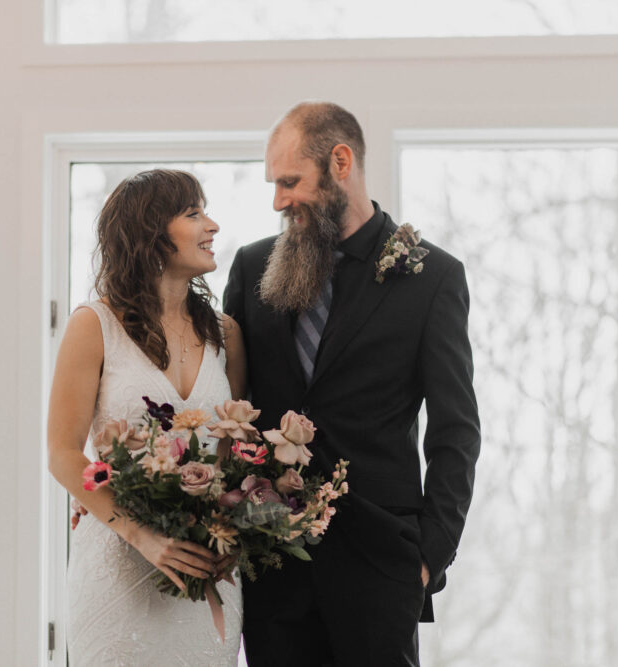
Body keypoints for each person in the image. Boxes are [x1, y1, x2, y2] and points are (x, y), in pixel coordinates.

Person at [224, 101, 480, 666]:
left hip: (381, 569)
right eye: (274, 185)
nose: (278, 200)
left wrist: (427, 556)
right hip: (274, 570)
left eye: (290, 182)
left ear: (340, 162)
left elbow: (455, 431)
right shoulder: (249, 268)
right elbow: (230, 410)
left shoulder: (433, 278)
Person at [47, 169, 246, 665]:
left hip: (205, 571)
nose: (213, 225)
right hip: (118, 566)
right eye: (194, 213)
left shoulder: (227, 335)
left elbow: (235, 454)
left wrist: (231, 533)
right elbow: (62, 454)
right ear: (150, 231)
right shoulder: (93, 325)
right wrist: (142, 535)